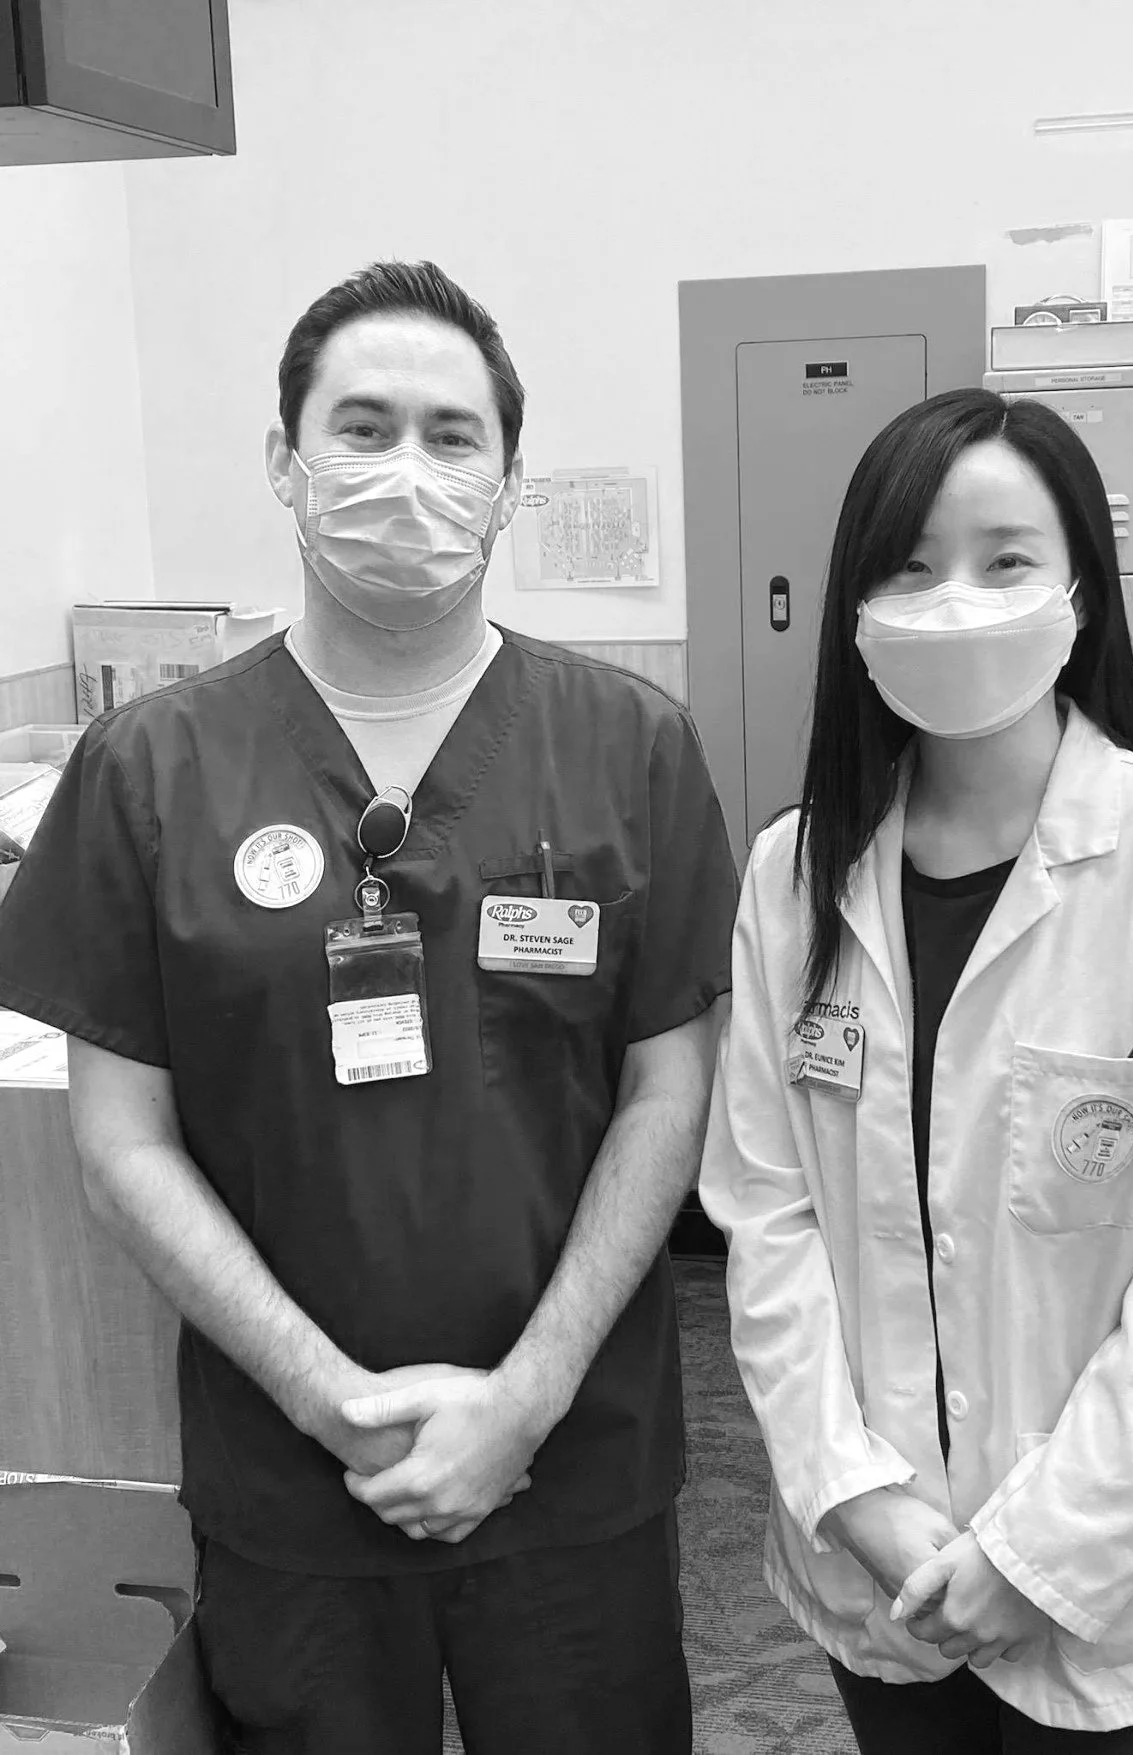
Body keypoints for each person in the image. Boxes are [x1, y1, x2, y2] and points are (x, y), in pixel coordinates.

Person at [0, 260, 739, 1754]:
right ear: (286, 461)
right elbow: (119, 1142)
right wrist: (328, 1394)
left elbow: (673, 1096)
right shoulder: (149, 771)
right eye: (364, 425)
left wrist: (526, 1400)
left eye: (453, 436)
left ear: (510, 482)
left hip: (571, 1458)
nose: (410, 469)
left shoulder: (631, 750)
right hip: (295, 1468)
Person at [698, 387, 1133, 1753]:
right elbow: (765, 1213)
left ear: (1083, 593)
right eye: (910, 566)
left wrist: (1035, 1549)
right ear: (855, 611)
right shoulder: (793, 878)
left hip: (1122, 1595)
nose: (955, 601)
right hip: (882, 1568)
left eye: (1006, 560)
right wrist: (853, 1493)